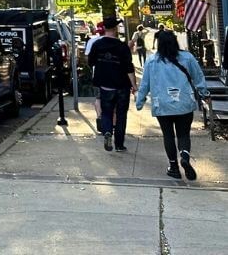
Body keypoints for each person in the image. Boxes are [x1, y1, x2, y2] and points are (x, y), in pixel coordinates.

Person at [136, 30, 208, 180]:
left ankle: (174, 167)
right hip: (184, 103)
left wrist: (140, 101)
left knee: (168, 135)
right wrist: (204, 93)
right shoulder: (187, 57)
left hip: (162, 104)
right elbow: (198, 77)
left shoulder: (151, 61)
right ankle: (185, 156)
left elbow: (145, 83)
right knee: (183, 134)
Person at [88, 16, 137, 152]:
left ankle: (107, 131)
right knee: (121, 115)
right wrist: (134, 86)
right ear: (115, 29)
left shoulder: (97, 45)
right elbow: (129, 68)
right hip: (122, 86)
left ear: (104, 28)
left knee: (106, 112)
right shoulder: (122, 46)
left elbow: (90, 62)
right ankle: (119, 144)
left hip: (105, 85)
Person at [84, 22, 106, 132]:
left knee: (98, 98)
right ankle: (112, 122)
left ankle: (100, 119)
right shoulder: (113, 41)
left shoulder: (92, 41)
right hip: (112, 76)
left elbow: (87, 58)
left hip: (97, 75)